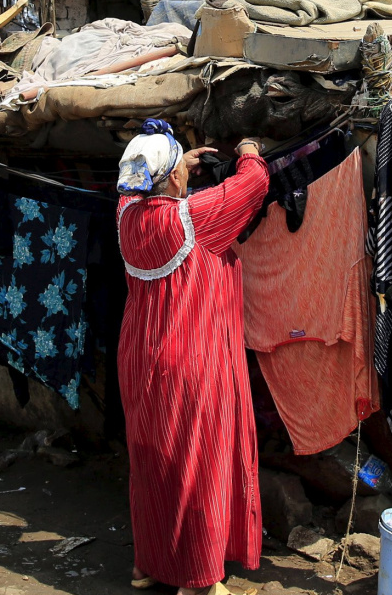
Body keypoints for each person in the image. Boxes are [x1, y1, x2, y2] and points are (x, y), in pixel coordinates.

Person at [115, 119, 268, 595]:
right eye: (179, 166)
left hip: (140, 358)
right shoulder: (194, 218)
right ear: (175, 179)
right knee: (196, 466)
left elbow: (139, 186)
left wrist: (177, 164)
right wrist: (247, 148)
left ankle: (148, 567)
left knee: (152, 466)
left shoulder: (125, 216)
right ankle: (198, 581)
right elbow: (254, 183)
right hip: (191, 359)